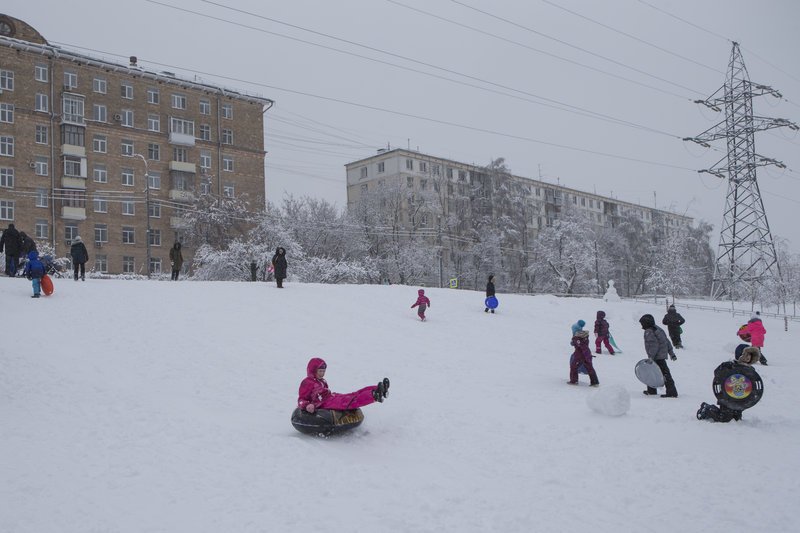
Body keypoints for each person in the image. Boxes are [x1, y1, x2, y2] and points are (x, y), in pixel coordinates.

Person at [297, 358, 389, 413]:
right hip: (322, 403)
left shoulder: (322, 381)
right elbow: (301, 399)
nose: (322, 374)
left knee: (353, 394)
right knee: (349, 401)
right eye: (320, 371)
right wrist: (307, 405)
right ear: (313, 370)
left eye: (324, 371)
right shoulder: (307, 382)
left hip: (330, 397)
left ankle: (379, 389)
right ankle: (374, 395)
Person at [639, 314, 678, 397]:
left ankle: (671, 392)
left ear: (646, 323)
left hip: (656, 357)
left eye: (642, 323)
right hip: (661, 356)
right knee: (653, 372)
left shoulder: (649, 331)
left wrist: (651, 357)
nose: (641, 325)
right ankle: (651, 390)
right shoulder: (658, 329)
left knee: (662, 374)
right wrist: (671, 353)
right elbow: (667, 341)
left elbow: (653, 345)